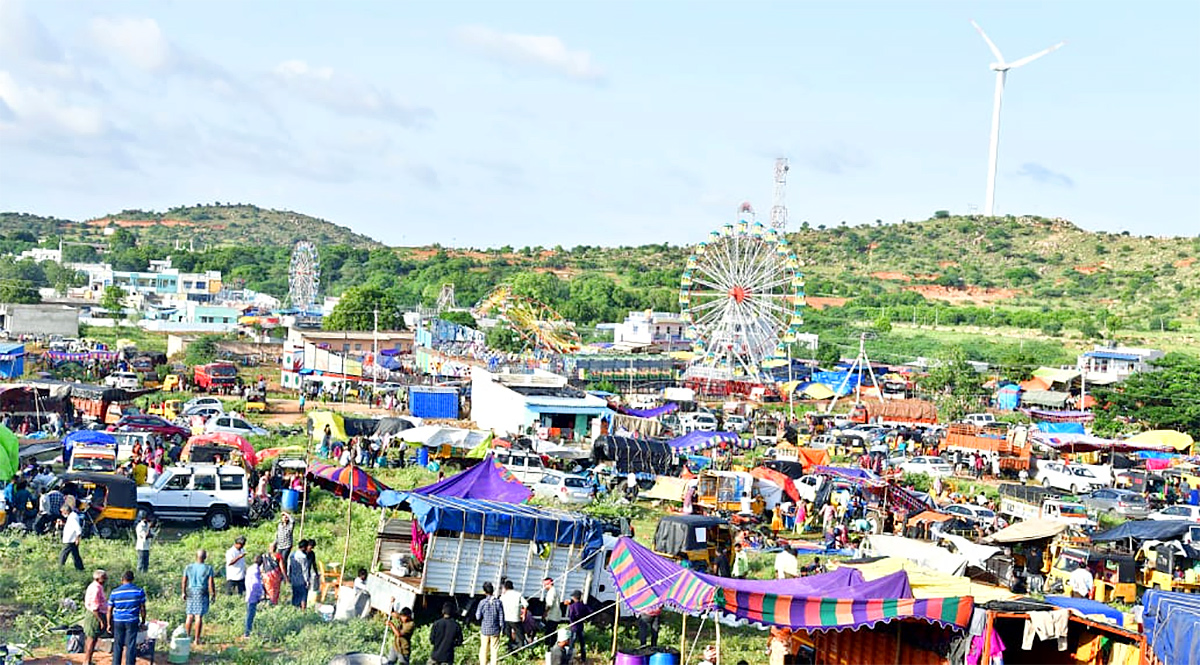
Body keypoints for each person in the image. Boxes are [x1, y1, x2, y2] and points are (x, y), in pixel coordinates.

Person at [108, 570, 147, 665]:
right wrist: (143, 621)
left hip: (118, 620)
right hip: (132, 620)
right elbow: (142, 608)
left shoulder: (114, 592)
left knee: (118, 645)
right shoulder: (139, 591)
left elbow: (109, 610)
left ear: (122, 579)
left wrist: (109, 624)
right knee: (131, 645)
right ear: (132, 579)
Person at [182, 549, 216, 646]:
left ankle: (187, 637)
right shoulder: (208, 568)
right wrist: (213, 594)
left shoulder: (189, 567)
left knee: (189, 615)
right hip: (201, 592)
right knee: (198, 616)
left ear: (196, 556)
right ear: (205, 557)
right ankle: (197, 640)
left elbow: (184, 581)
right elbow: (210, 583)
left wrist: (183, 592)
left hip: (191, 591)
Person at [82, 569, 108, 665]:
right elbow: (94, 607)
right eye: (104, 577)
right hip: (94, 616)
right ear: (98, 578)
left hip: (96, 614)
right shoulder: (96, 588)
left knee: (93, 639)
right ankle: (87, 661)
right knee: (91, 639)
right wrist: (101, 621)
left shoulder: (97, 587)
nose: (106, 579)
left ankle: (88, 660)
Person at [476, 581, 505, 665]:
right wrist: (502, 628)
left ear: (485, 592)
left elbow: (478, 616)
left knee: (484, 649)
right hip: (495, 630)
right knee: (494, 650)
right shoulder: (498, 602)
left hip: (485, 630)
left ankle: (483, 663)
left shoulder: (482, 602)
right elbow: (501, 617)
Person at [499, 579, 527, 650]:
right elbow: (526, 604)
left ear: (505, 587)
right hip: (515, 618)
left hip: (506, 618)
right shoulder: (518, 594)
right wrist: (524, 614)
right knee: (519, 634)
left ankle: (509, 648)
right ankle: (520, 648)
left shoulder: (503, 596)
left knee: (507, 635)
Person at [244, 554, 264, 639]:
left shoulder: (250, 568)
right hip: (253, 595)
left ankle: (248, 631)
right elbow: (256, 584)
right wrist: (260, 594)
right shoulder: (256, 570)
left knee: (250, 613)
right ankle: (247, 632)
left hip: (249, 592)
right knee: (250, 614)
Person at [289, 539, 314, 608]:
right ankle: (303, 612)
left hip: (294, 578)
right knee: (303, 596)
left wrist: (289, 577)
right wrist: (307, 581)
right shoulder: (303, 557)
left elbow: (289, 567)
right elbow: (305, 570)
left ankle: (294, 609)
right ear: (304, 547)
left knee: (295, 595)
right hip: (301, 579)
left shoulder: (292, 555)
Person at [60, 503, 84, 570]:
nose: (62, 513)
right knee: (75, 554)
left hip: (70, 539)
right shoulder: (72, 516)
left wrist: (77, 538)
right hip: (71, 538)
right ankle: (80, 568)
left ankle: (60, 568)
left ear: (66, 511)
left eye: (62, 511)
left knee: (63, 554)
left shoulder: (72, 517)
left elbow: (78, 528)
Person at [566, 590, 588, 663]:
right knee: (582, 643)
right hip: (581, 626)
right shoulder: (583, 605)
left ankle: (569, 659)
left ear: (574, 597)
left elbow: (571, 617)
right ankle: (583, 658)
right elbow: (590, 611)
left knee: (572, 643)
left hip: (574, 627)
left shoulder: (572, 606)